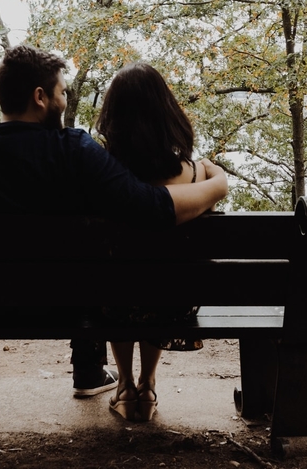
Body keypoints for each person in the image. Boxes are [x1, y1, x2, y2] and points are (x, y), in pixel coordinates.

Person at [0, 45, 227, 399]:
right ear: (40, 97)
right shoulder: (74, 153)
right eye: (62, 92)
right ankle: (90, 370)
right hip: (57, 307)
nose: (65, 100)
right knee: (99, 276)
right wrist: (216, 185)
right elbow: (152, 207)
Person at [94, 62, 209, 422]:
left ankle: (125, 386)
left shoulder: (103, 174)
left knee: (118, 286)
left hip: (113, 300)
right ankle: (148, 384)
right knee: (159, 284)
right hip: (174, 302)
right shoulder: (193, 173)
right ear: (166, 113)